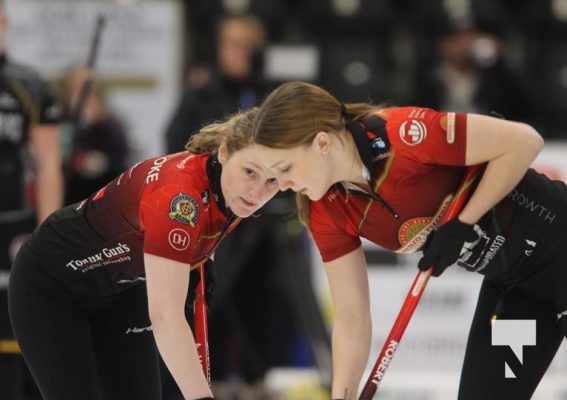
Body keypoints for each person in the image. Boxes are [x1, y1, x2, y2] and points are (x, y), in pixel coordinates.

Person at [249, 81, 567, 399]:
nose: (285, 184)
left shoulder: (403, 134)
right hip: (517, 288)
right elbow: (351, 317)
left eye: (286, 168)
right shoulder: (327, 211)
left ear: (322, 143)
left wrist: (463, 222)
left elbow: (525, 141)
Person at [8, 108, 281, 400]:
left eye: (272, 182)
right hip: (52, 285)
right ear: (225, 151)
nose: (256, 193)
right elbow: (165, 315)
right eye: (250, 172)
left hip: (121, 289)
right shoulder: (179, 197)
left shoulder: (230, 188)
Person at [0, 2, 63, 399]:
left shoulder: (28, 84)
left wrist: (49, 237)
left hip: (13, 225)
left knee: (13, 329)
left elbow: (49, 164)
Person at [165, 13, 268, 153]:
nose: (243, 52)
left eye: (249, 45)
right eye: (235, 44)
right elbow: (174, 144)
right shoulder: (199, 95)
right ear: (220, 48)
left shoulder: (268, 95)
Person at [60, 66, 130, 205]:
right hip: (67, 198)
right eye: (75, 91)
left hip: (100, 199)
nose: (81, 98)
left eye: (86, 92)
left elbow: (121, 159)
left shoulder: (109, 124)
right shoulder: (58, 121)